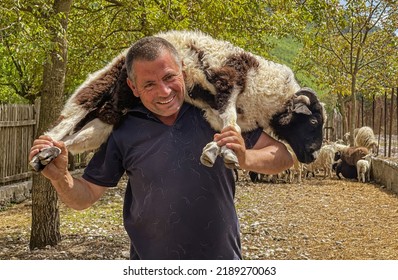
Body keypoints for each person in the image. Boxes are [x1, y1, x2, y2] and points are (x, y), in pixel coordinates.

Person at [29, 36, 293, 260]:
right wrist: (60, 178)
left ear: (184, 72)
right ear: (133, 87)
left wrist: (245, 158)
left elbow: (282, 156)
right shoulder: (122, 129)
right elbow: (85, 197)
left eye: (169, 77)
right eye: (149, 84)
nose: (164, 91)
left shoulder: (215, 111)